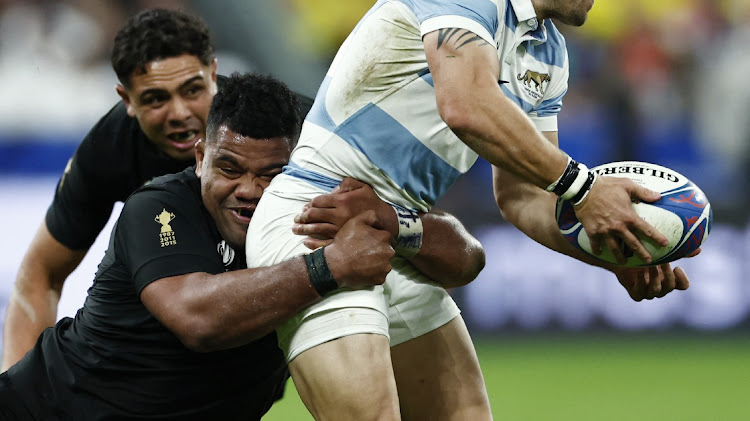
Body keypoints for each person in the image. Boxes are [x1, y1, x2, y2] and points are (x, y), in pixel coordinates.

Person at [245, 0, 697, 419]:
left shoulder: (549, 51)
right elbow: (465, 104)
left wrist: (614, 247)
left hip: (395, 236)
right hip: (319, 216)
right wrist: (585, 188)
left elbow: (525, 196)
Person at [0, 72, 486, 419]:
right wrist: (331, 265)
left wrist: (396, 224)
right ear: (200, 157)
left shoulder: (321, 205)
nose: (249, 189)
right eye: (229, 168)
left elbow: (468, 259)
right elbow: (198, 318)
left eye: (271, 173)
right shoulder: (159, 210)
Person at [0, 7, 315, 371]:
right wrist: (16, 390)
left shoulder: (288, 125)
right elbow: (41, 274)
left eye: (192, 90)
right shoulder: (110, 148)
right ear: (127, 101)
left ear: (213, 74)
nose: (179, 112)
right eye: (155, 99)